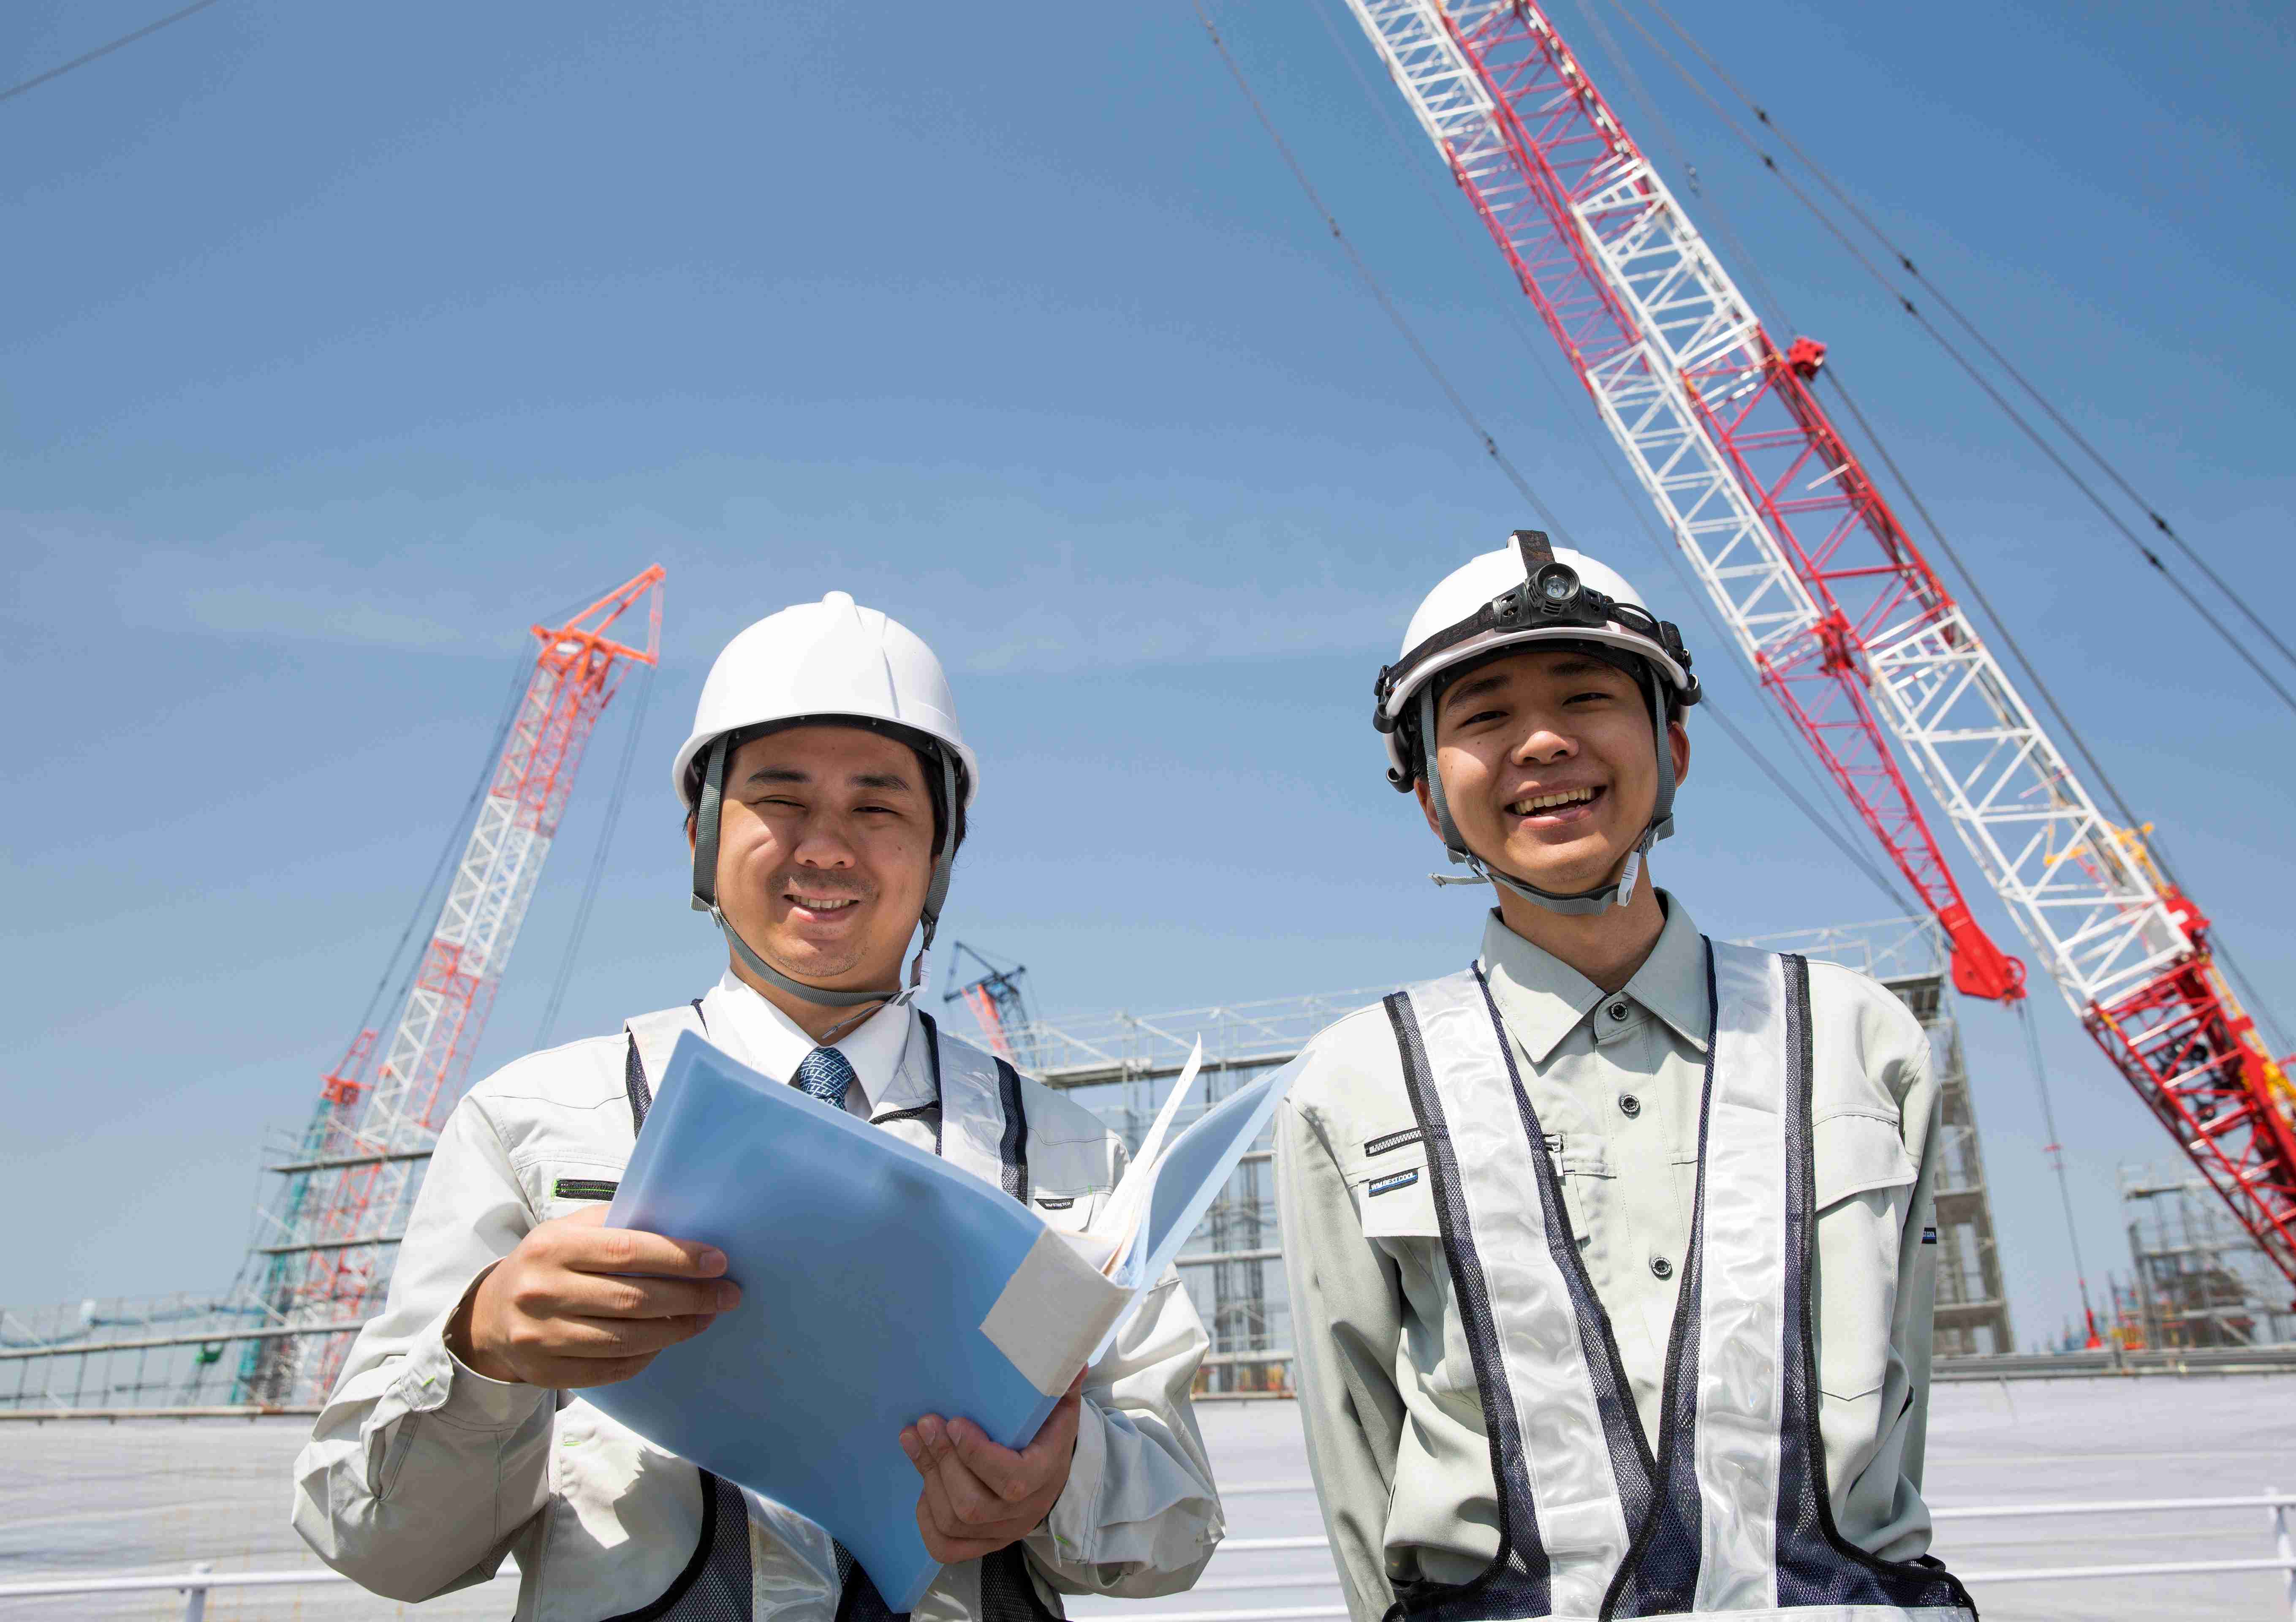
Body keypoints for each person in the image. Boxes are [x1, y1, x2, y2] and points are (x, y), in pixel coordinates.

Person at [296, 593, 1223, 1621]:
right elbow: (376, 1544)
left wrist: (1063, 1479)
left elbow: (1178, 1530)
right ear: (701, 832)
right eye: (779, 800)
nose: (826, 848)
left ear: (939, 853)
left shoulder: (1072, 1155)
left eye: (879, 808)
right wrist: (482, 1356)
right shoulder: (533, 1122)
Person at [1276, 533, 1974, 1620]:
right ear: (1424, 794)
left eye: (1588, 697)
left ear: (1674, 747)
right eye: (1484, 717)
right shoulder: (1359, 1084)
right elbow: (1355, 1449)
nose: (1544, 742)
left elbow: (1899, 1407)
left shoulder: (1855, 1041)